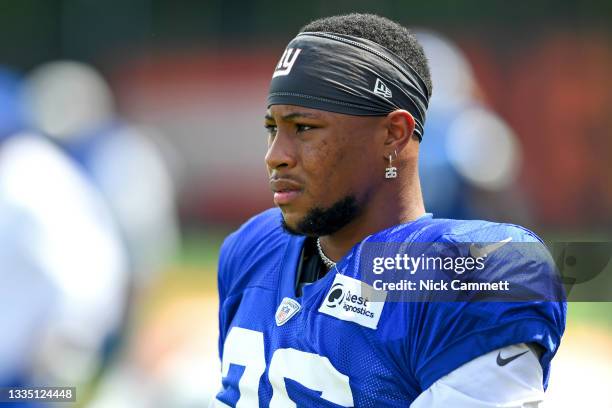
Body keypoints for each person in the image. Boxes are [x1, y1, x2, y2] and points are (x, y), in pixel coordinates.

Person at [214, 13, 565, 407]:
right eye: (272, 128)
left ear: (394, 134)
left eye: (305, 128)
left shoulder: (476, 274)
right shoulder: (254, 248)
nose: (274, 156)